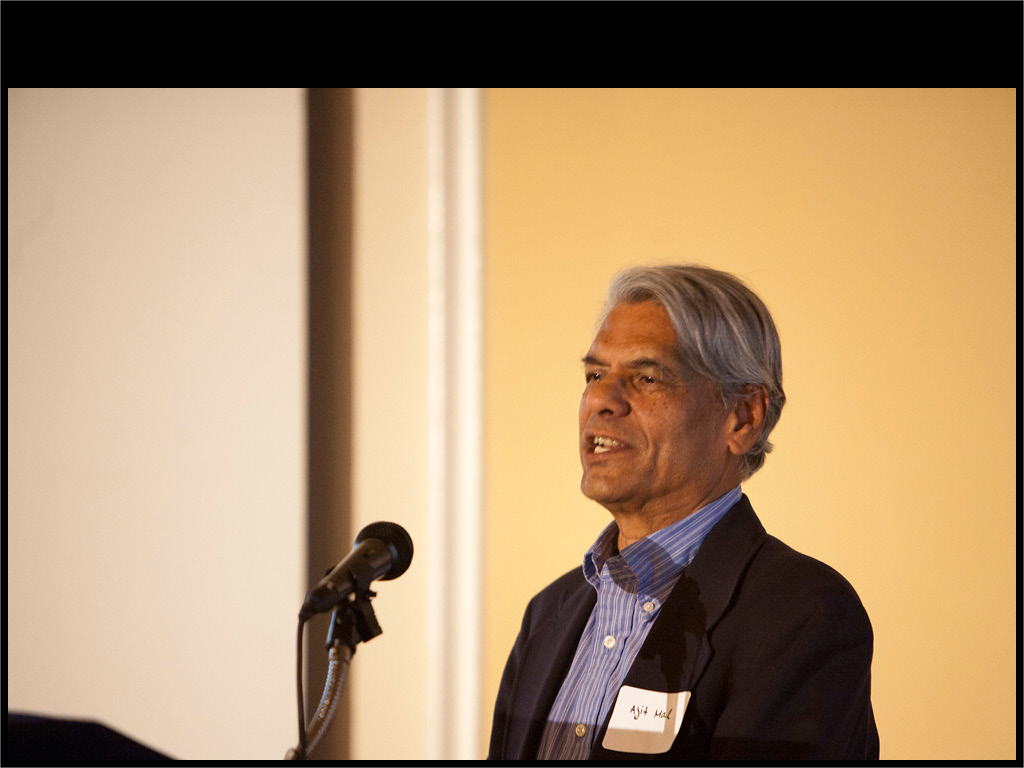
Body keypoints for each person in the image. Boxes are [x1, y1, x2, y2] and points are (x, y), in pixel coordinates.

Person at [488, 264, 879, 760]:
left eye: (647, 377)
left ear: (743, 417)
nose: (602, 400)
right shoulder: (548, 614)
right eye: (594, 375)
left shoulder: (802, 615)